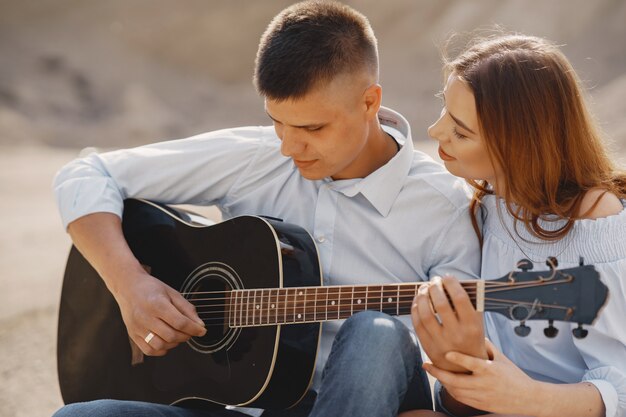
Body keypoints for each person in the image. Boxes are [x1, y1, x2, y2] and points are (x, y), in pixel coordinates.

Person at [52, 1, 481, 417]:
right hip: (253, 405)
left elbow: (456, 398)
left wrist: (460, 366)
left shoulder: (444, 208)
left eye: (312, 128)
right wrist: (130, 285)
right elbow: (87, 174)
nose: (289, 147)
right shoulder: (259, 158)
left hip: (376, 401)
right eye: (278, 122)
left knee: (376, 332)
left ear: (369, 102)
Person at [401, 34, 626, 417]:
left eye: (461, 130)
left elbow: (620, 389)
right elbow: (467, 402)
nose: (436, 132)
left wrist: (528, 398)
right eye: (444, 109)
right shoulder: (487, 204)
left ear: (519, 144)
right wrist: (461, 363)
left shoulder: (593, 218)